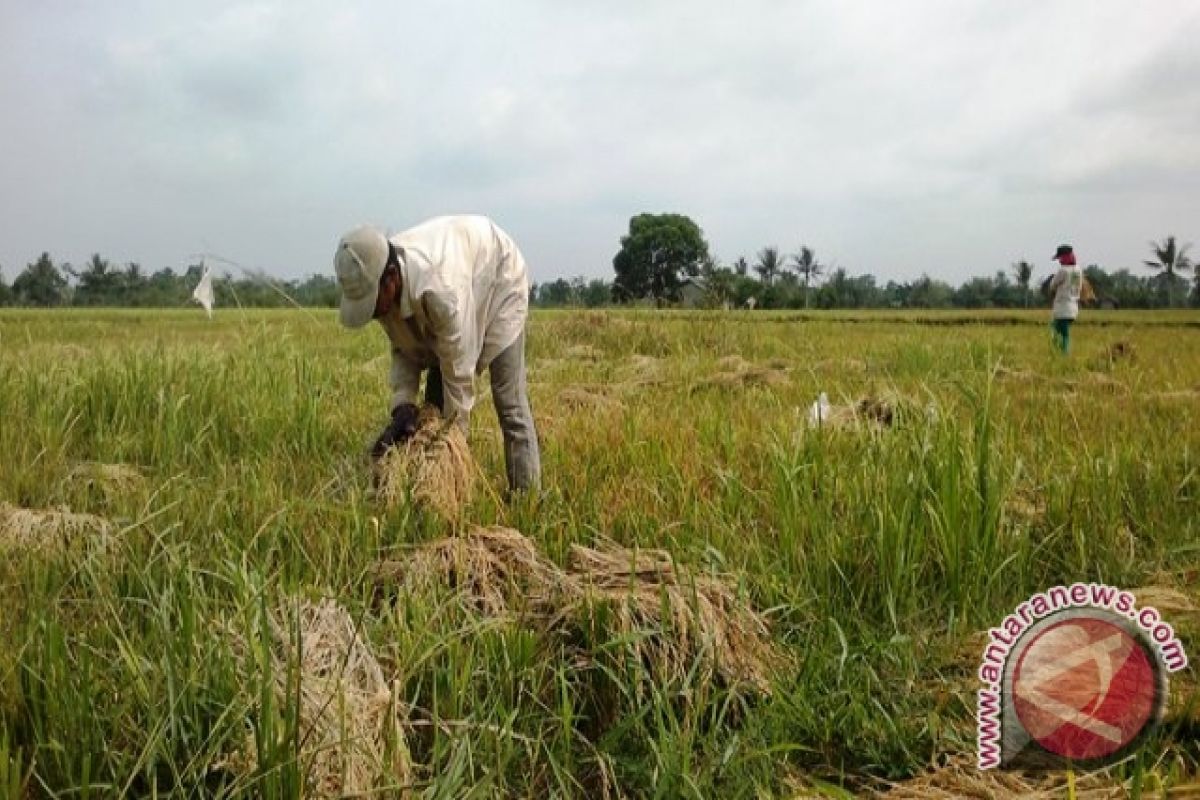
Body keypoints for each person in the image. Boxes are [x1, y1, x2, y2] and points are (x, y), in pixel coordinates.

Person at [333, 215, 540, 493]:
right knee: (431, 410)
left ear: (391, 279)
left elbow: (458, 374)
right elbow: (403, 348)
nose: (372, 313)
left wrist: (452, 450)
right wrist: (403, 406)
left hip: (499, 278)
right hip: (461, 279)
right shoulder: (380, 278)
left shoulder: (441, 289)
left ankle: (527, 496)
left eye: (371, 301)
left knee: (509, 401)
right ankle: (424, 487)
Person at [1047, 244, 1083, 354]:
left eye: (1060, 258)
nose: (1059, 261)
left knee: (1060, 333)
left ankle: (1063, 354)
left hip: (1062, 308)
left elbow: (1052, 285)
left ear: (1064, 257)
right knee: (1062, 332)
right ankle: (1060, 352)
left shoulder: (1063, 271)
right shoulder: (1078, 270)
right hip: (1073, 307)